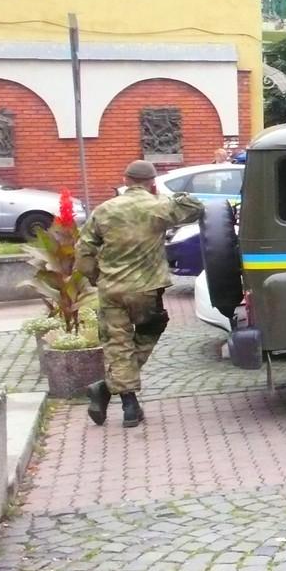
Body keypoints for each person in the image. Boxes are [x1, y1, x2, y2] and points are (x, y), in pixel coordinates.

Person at [77, 160, 204, 427]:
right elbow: (195, 207)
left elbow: (84, 252)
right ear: (152, 183)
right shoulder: (158, 207)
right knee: (150, 329)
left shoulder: (103, 210)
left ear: (125, 180)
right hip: (147, 290)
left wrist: (96, 278)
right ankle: (117, 398)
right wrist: (165, 195)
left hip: (111, 290)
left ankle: (125, 403)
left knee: (118, 344)